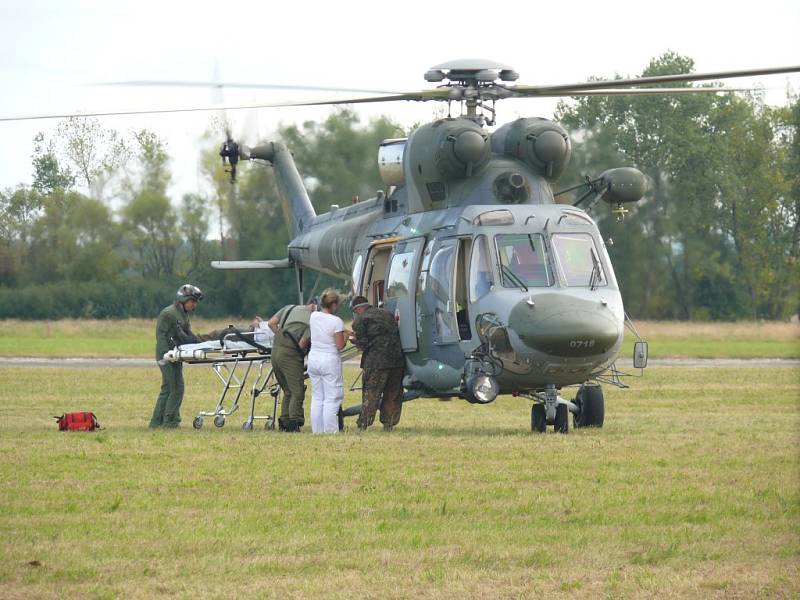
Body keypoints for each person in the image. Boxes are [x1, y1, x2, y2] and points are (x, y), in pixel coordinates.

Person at [150, 284, 204, 428]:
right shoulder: (168, 313)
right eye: (193, 301)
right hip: (167, 356)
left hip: (176, 355)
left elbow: (188, 335)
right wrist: (165, 357)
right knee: (176, 388)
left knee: (168, 389)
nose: (195, 305)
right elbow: (161, 336)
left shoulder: (183, 315)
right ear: (183, 300)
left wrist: (199, 345)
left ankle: (156, 422)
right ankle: (170, 422)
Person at [350, 295, 405, 431]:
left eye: (355, 311)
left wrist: (354, 340)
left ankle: (363, 424)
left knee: (371, 394)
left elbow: (363, 344)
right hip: (397, 361)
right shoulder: (387, 314)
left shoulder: (360, 320)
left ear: (358, 309)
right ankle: (389, 424)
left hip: (375, 363)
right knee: (393, 393)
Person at [263, 301, 316, 432]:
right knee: (297, 391)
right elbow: (302, 344)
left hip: (275, 352)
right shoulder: (312, 320)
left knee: (287, 390)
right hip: (290, 356)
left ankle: (284, 422)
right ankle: (293, 423)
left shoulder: (289, 308)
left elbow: (271, 323)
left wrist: (283, 337)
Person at [307, 289, 348, 433]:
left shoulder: (314, 316)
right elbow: (340, 345)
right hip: (329, 359)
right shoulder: (337, 321)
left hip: (314, 358)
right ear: (334, 305)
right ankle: (330, 431)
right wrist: (346, 336)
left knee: (317, 397)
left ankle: (317, 430)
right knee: (332, 397)